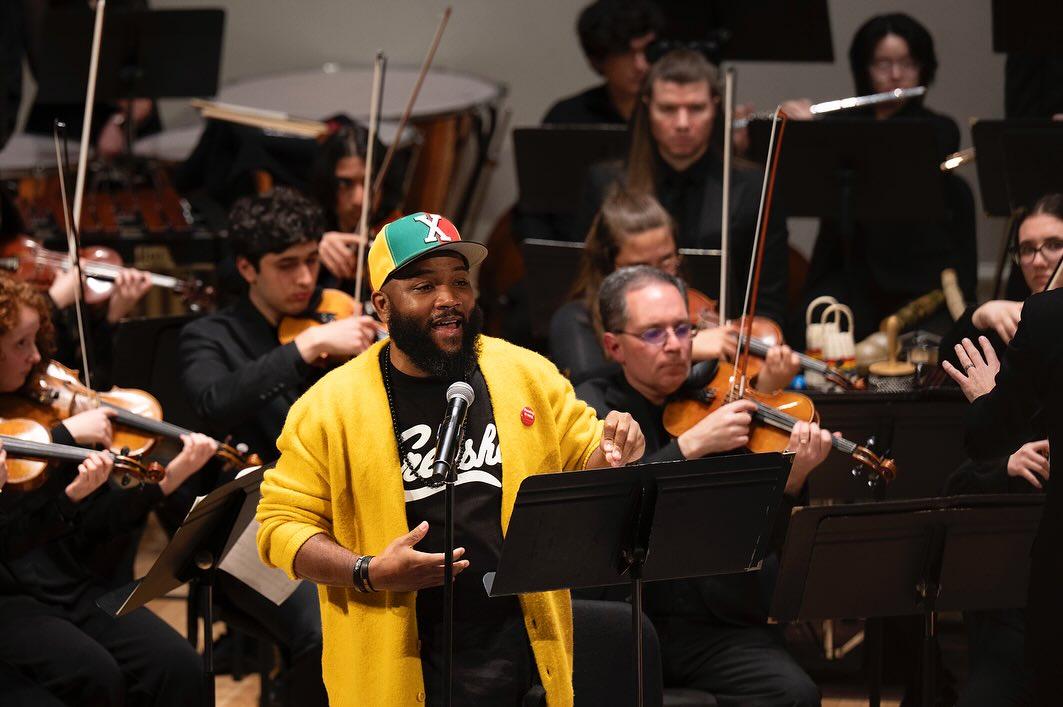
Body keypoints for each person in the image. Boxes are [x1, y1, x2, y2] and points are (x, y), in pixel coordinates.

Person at [256, 211, 646, 706]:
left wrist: (614, 450)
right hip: (401, 660)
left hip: (521, 650)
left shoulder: (525, 373)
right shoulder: (329, 406)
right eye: (424, 286)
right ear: (382, 305)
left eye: (459, 282)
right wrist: (369, 571)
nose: (449, 300)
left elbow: (585, 454)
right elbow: (280, 527)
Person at [575, 265, 822, 706]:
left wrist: (791, 484)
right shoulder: (591, 407)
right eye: (653, 333)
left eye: (683, 329)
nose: (675, 346)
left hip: (711, 623)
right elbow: (610, 515)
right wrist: (687, 447)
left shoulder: (720, 396)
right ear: (614, 345)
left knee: (794, 694)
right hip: (630, 617)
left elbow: (758, 540)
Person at [0, 273, 211, 706]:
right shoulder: (42, 431)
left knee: (181, 667)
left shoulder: (37, 404)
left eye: (35, 340)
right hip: (11, 600)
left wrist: (161, 481)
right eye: (21, 344)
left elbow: (93, 527)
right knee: (96, 677)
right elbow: (12, 540)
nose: (36, 356)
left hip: (68, 585)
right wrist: (61, 438)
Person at [935, 195, 1063, 707]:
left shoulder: (1045, 320)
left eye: (1054, 245)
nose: (1038, 260)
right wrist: (979, 312)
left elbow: (984, 428)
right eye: (1026, 249)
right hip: (1009, 570)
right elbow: (970, 464)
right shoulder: (1024, 319)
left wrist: (990, 402)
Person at [792, 12, 977, 344]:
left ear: (924, 68)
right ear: (864, 69)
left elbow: (913, 139)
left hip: (917, 275)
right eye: (883, 64)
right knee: (809, 318)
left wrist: (821, 130)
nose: (895, 75)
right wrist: (802, 128)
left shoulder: (936, 127)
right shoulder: (843, 124)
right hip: (854, 270)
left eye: (907, 64)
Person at [572, 48, 790, 326]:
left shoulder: (753, 187)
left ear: (715, 106)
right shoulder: (606, 183)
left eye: (696, 108)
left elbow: (768, 303)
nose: (683, 123)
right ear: (647, 106)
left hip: (727, 353)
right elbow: (590, 286)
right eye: (668, 109)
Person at [180, 186, 379, 458]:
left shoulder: (335, 307)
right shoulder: (209, 335)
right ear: (247, 268)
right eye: (287, 265)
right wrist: (307, 344)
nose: (306, 279)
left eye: (311, 260)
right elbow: (213, 404)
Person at [551, 188, 749, 383]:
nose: (658, 278)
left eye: (666, 261)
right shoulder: (574, 319)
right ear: (608, 266)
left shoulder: (690, 307)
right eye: (640, 267)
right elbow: (584, 386)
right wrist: (687, 349)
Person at [543, 0, 662, 125]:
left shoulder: (679, 111)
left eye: (647, 50)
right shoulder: (567, 117)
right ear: (597, 60)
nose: (641, 65)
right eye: (625, 54)